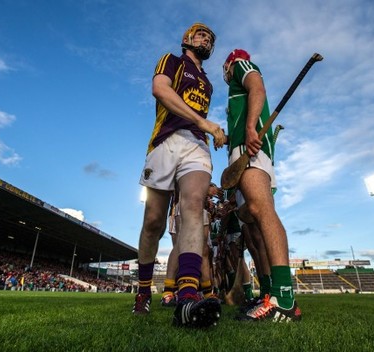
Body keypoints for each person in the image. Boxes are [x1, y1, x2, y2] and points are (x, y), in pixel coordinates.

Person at [132, 23, 226, 328]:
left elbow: (201, 123)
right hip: (165, 142)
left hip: (196, 145)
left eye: (210, 39)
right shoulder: (171, 61)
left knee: (193, 207)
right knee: (154, 222)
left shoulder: (208, 84)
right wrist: (205, 122)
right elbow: (160, 90)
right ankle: (144, 291)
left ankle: (187, 294)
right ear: (187, 39)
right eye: (201, 35)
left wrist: (212, 131)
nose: (206, 40)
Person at [222, 49, 301, 322]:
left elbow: (258, 87)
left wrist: (250, 128)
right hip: (241, 152)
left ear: (228, 64)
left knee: (261, 210)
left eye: (225, 65)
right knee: (253, 229)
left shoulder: (241, 66)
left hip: (250, 147)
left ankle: (284, 298)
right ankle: (268, 294)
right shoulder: (232, 93)